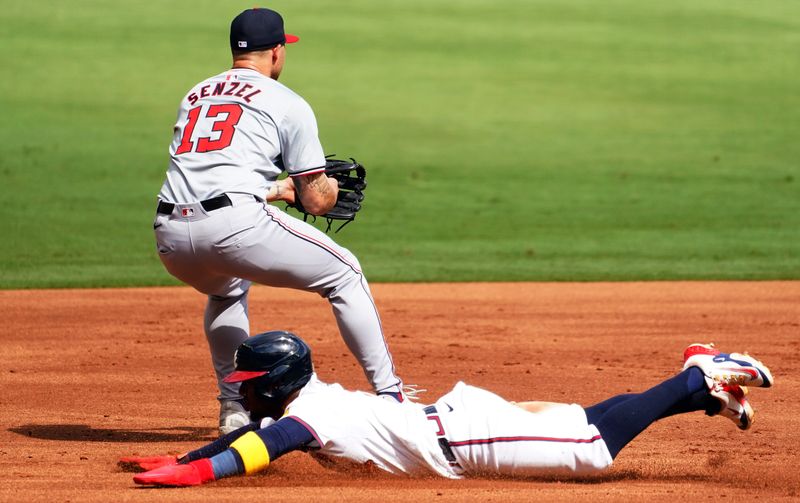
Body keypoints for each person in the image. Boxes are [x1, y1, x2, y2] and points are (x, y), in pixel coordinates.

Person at [152, 8, 407, 435]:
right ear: (275, 52)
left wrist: (276, 189)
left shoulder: (197, 93)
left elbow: (213, 174)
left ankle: (233, 409)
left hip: (171, 236)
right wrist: (319, 190)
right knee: (344, 274)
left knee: (226, 290)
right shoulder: (287, 102)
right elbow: (318, 199)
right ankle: (393, 398)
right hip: (235, 228)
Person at [122, 331, 773, 486]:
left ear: (276, 383)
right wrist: (183, 453)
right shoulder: (309, 398)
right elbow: (253, 435)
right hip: (454, 422)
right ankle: (700, 391)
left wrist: (196, 473)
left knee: (591, 444)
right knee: (577, 422)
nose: (242, 388)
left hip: (468, 436)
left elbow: (262, 448)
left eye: (249, 380)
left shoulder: (311, 416)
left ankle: (697, 373)